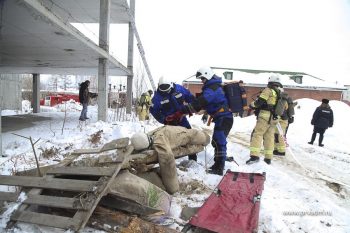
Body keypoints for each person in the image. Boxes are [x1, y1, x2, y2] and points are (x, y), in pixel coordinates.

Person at [181, 67, 233, 175]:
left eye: (203, 78)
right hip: (221, 117)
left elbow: (203, 101)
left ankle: (219, 168)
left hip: (224, 118)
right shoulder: (213, 87)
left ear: (208, 75)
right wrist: (205, 113)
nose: (202, 81)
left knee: (219, 142)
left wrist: (186, 109)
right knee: (217, 141)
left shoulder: (212, 88)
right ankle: (217, 164)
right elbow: (211, 103)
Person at [130, 126, 210, 194]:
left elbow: (168, 163)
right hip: (172, 132)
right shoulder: (143, 138)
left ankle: (206, 137)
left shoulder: (161, 145)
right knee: (190, 139)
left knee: (197, 140)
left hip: (183, 135)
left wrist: (173, 190)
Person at [150, 77, 197, 161]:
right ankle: (172, 159)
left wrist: (190, 108)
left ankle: (193, 158)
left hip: (181, 118)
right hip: (169, 122)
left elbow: (190, 98)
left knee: (190, 136)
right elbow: (154, 111)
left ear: (171, 85)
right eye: (162, 89)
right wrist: (164, 119)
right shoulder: (157, 98)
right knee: (172, 140)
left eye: (166, 89)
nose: (164, 91)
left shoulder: (179, 89)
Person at [246, 74, 284, 165]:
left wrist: (252, 105)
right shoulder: (279, 91)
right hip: (274, 117)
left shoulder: (268, 90)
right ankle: (268, 158)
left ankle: (254, 156)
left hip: (265, 116)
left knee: (257, 134)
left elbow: (259, 102)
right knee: (269, 137)